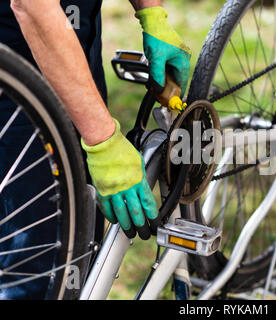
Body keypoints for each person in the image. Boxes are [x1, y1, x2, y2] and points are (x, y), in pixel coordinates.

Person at [0, 0, 190, 299]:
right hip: (17, 57)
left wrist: (151, 13)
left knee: (78, 255)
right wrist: (103, 142)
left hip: (74, 34)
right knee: (41, 273)